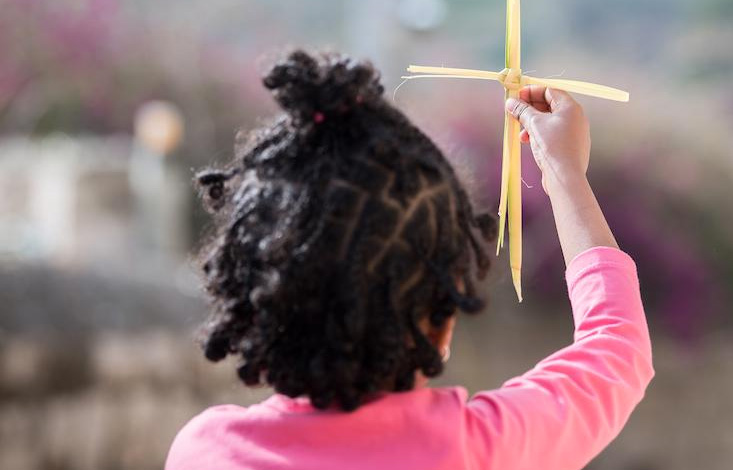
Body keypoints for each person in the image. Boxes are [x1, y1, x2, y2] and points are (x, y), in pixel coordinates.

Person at [165, 50, 654, 470]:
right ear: (441, 323)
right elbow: (617, 348)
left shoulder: (205, 453)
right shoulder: (470, 452)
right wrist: (563, 172)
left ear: (251, 312)